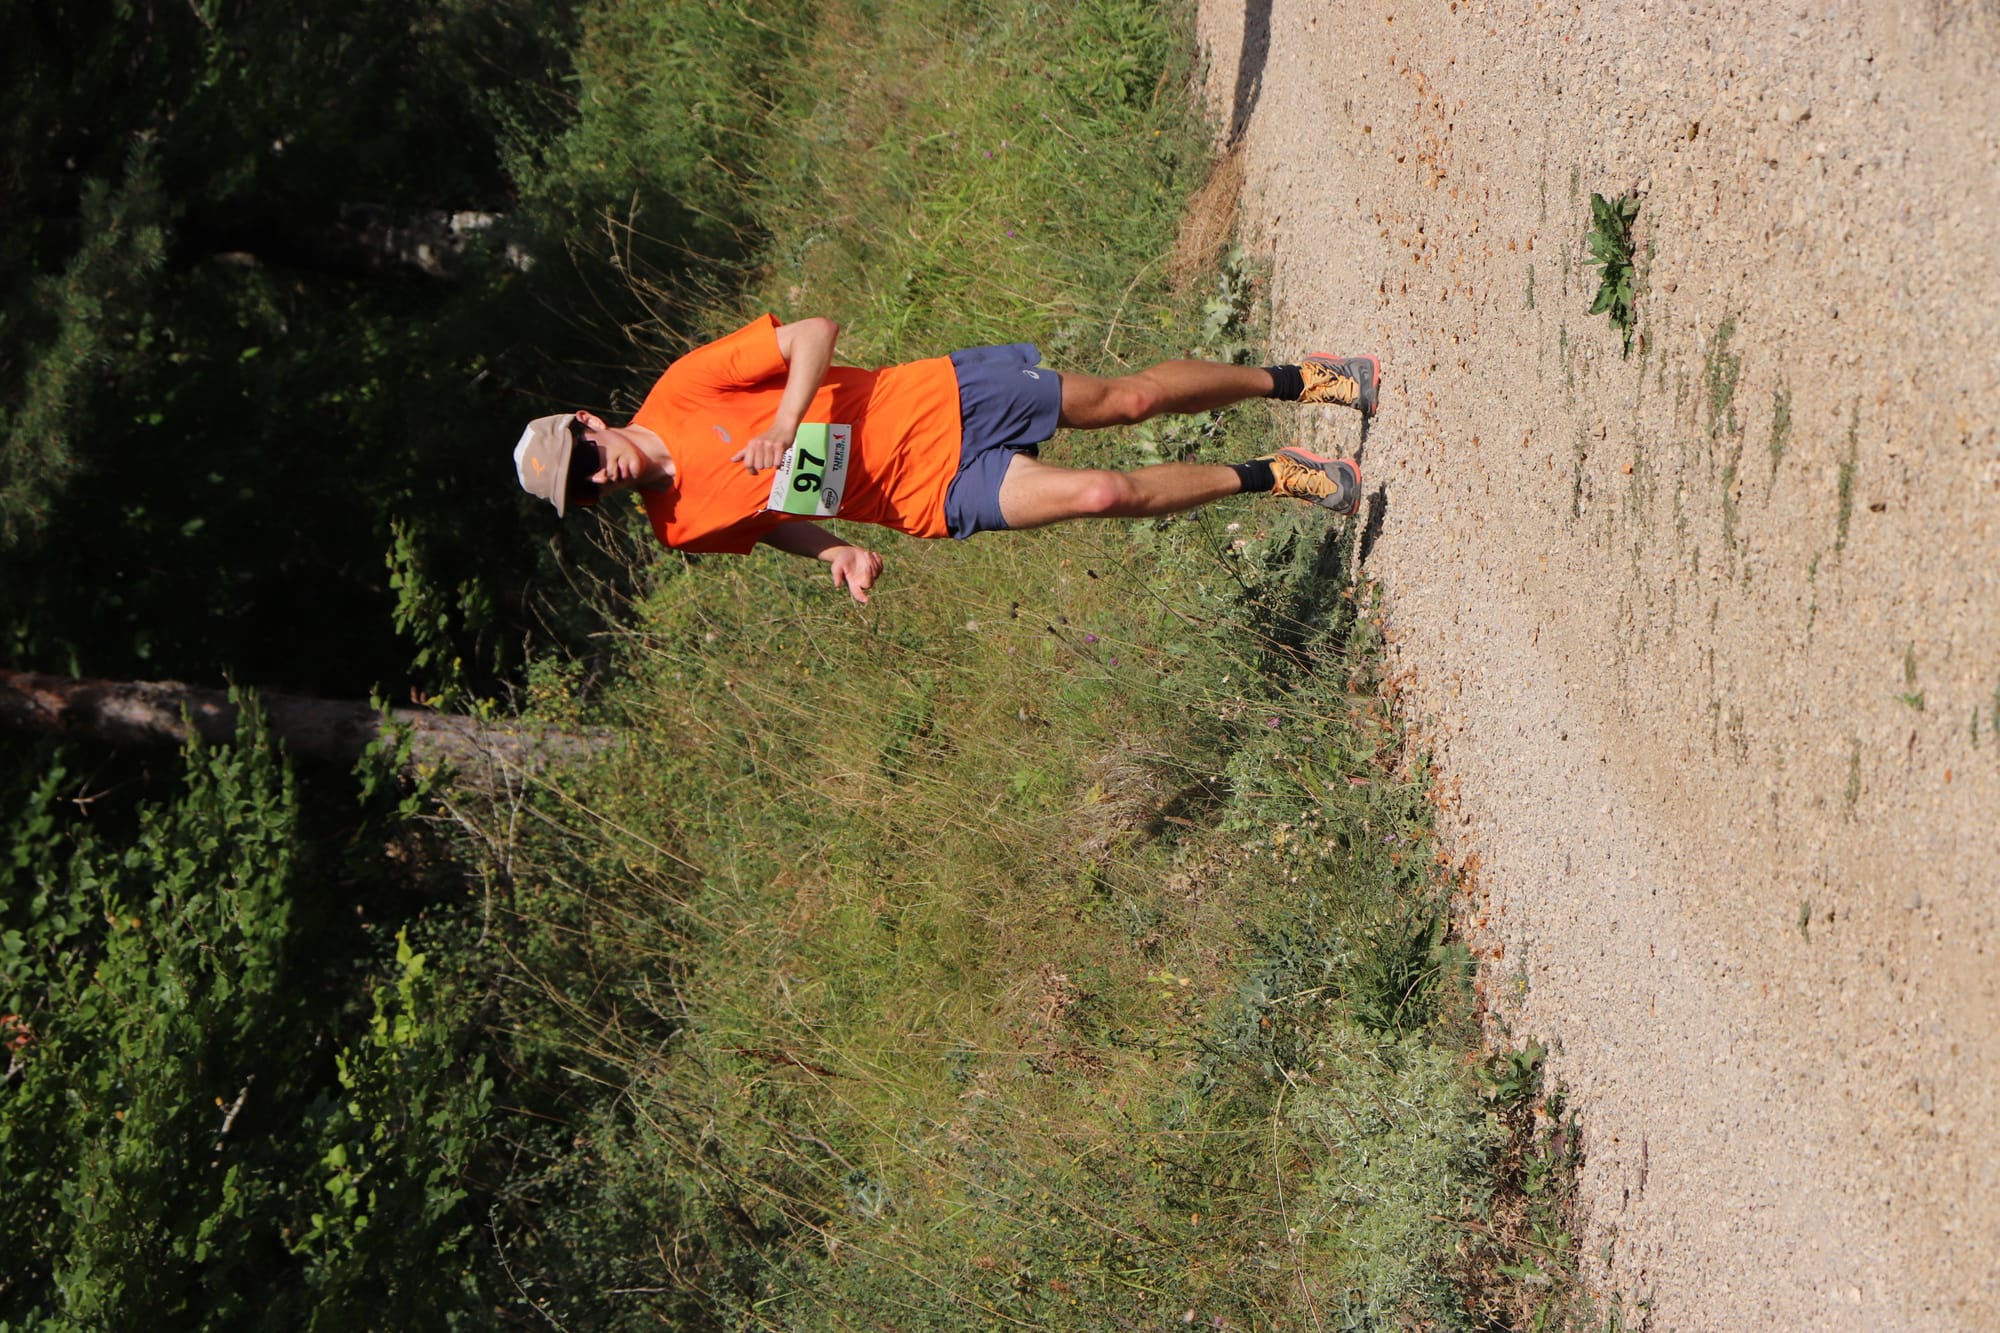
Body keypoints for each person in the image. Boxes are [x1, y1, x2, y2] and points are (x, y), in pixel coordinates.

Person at [512, 314, 1377, 603]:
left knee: (1131, 402)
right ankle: (1275, 473)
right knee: (1099, 492)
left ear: (588, 422)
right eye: (581, 492)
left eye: (584, 458)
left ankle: (1299, 379)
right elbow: (770, 520)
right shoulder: (677, 527)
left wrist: (781, 420)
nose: (596, 477)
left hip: (939, 400)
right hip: (925, 493)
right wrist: (836, 551)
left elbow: (813, 332)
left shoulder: (683, 388)